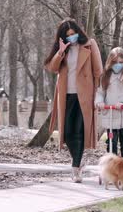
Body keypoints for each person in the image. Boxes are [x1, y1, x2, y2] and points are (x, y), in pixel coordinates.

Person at [44, 19, 103, 183]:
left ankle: (76, 168)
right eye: (68, 35)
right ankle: (79, 162)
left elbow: (98, 71)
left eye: (73, 33)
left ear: (78, 31)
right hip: (66, 95)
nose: (72, 37)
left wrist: (97, 94)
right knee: (68, 133)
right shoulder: (63, 48)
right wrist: (61, 52)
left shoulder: (90, 45)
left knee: (78, 131)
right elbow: (52, 68)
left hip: (84, 94)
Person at [96, 47, 123, 160]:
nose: (118, 65)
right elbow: (100, 93)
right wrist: (99, 102)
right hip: (111, 114)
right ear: (110, 62)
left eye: (121, 62)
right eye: (115, 62)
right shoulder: (105, 76)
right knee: (111, 142)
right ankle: (112, 167)